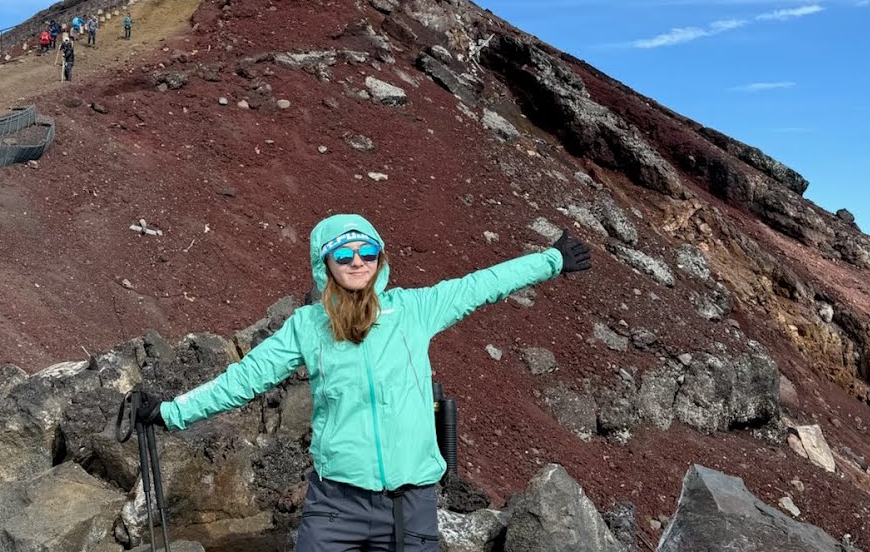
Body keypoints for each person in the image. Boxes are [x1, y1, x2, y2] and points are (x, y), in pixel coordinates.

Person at [129, 214, 591, 551]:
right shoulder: (308, 326)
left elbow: (482, 284)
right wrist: (171, 412)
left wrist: (551, 260)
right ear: (325, 263)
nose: (356, 262)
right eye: (343, 254)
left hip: (410, 507)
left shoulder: (414, 309)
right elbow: (244, 379)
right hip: (335, 506)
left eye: (366, 252)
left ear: (380, 258)